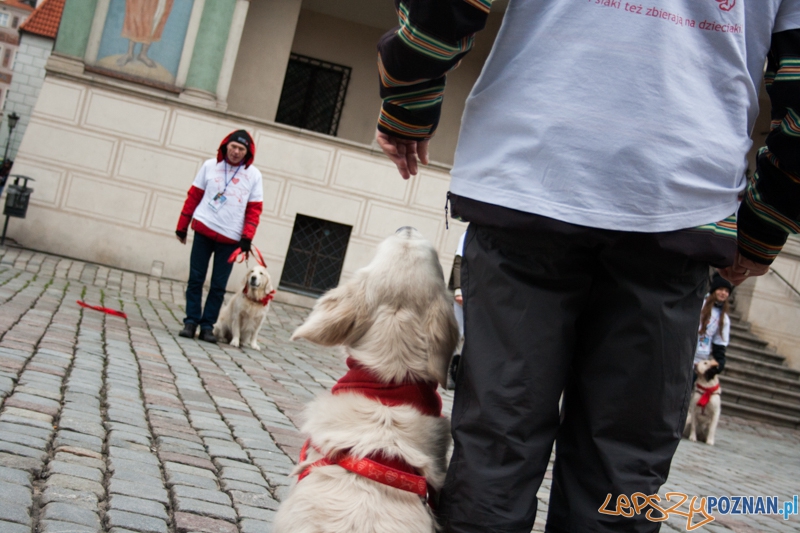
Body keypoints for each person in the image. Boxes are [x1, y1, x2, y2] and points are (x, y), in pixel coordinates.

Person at [374, 2, 799, 532]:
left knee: (498, 444)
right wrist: (764, 221)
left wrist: (410, 94)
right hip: (681, 195)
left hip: (532, 169)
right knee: (621, 470)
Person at [176, 130, 263, 343]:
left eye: (241, 149)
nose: (236, 152)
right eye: (233, 147)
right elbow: (194, 196)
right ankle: (191, 322)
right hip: (204, 229)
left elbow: (254, 210)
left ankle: (207, 326)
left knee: (218, 285)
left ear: (247, 153)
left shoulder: (254, 175)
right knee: (196, 279)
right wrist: (182, 225)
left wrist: (246, 238)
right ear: (225, 146)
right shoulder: (209, 166)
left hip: (231, 238)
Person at [694, 274, 732, 372]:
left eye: (726, 291)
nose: (723, 293)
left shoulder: (724, 318)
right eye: (720, 289)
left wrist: (720, 362)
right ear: (714, 290)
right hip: (685, 355)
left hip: (700, 363)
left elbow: (719, 343)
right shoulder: (699, 306)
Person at [446, 230, 467, 389]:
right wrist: (459, 290)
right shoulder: (466, 234)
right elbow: (458, 262)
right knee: (456, 332)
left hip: (478, 294)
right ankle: (447, 372)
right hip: (465, 293)